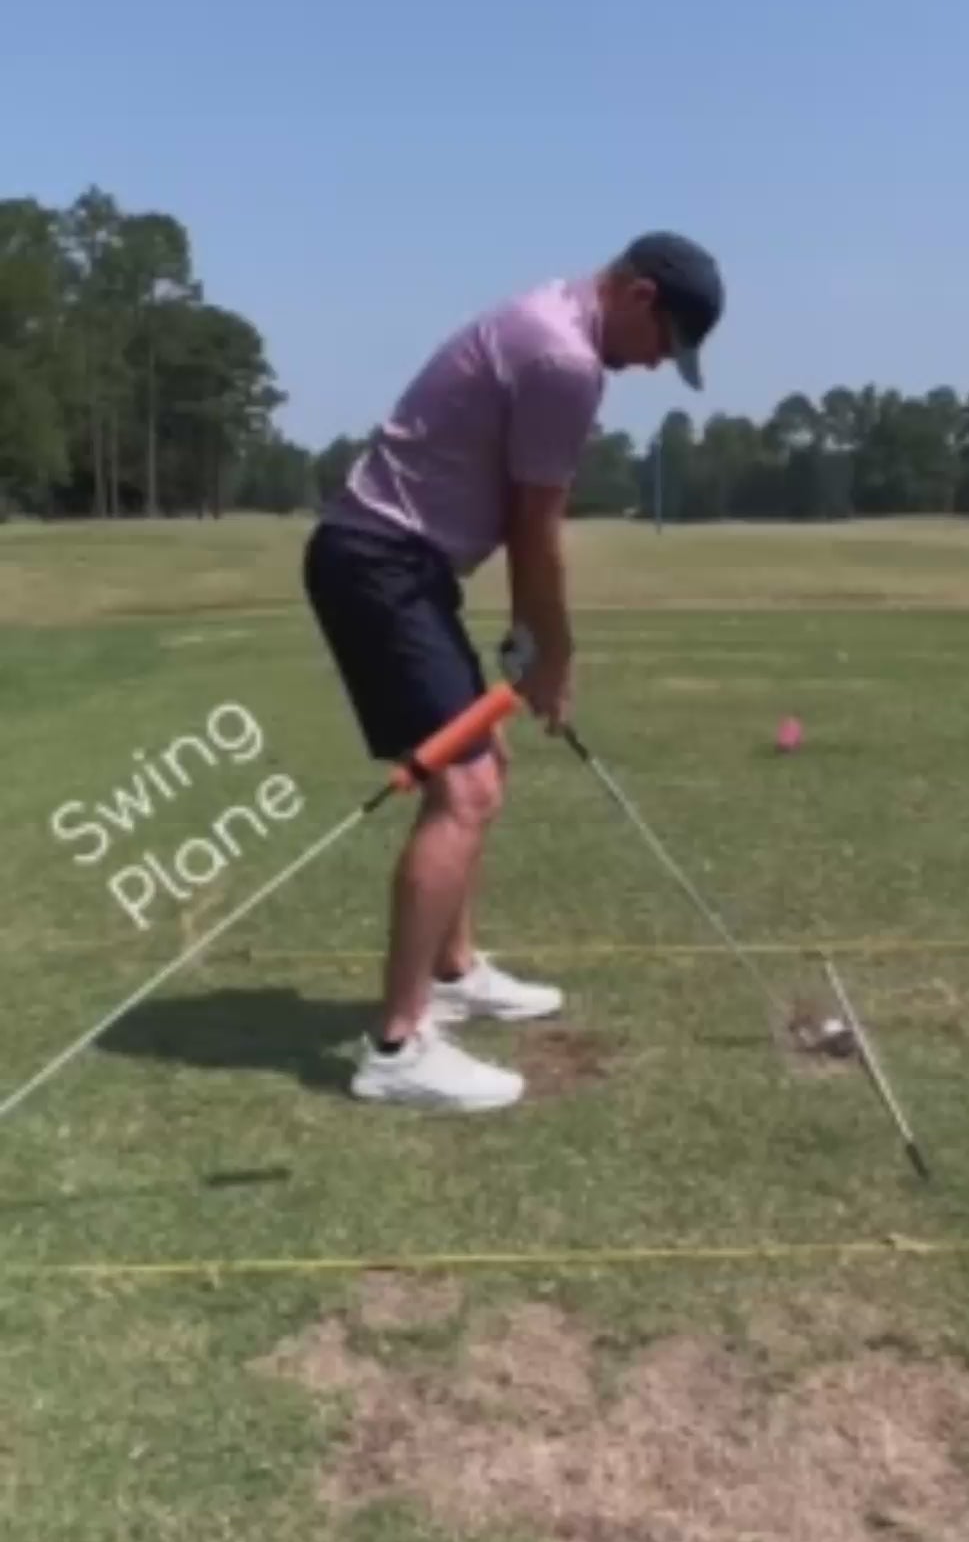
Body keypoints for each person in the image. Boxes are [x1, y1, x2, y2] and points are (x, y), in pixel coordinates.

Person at [302, 230, 724, 1111]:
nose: (657, 364)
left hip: (403, 566)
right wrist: (555, 655)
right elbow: (537, 527)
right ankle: (396, 1046)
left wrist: (528, 635)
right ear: (639, 296)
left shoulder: (552, 320)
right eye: (665, 342)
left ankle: (452, 972)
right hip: (380, 564)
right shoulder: (564, 357)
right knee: (464, 789)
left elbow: (513, 513)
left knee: (484, 761)